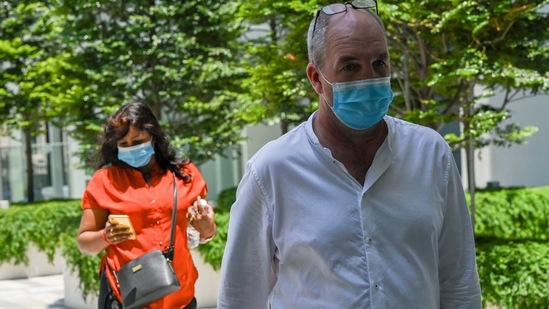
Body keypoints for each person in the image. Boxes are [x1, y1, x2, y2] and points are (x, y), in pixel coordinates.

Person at [217, 1, 482, 308]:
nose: (369, 78)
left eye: (379, 63)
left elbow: (459, 282)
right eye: (350, 66)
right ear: (316, 78)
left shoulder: (430, 154)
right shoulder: (271, 171)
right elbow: (240, 296)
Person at [77, 102, 217, 309]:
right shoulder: (104, 181)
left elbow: (204, 233)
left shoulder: (185, 174)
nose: (131, 147)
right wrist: (106, 236)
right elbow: (84, 243)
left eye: (138, 140)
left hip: (180, 295)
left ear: (154, 137)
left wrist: (207, 228)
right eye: (123, 143)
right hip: (126, 296)